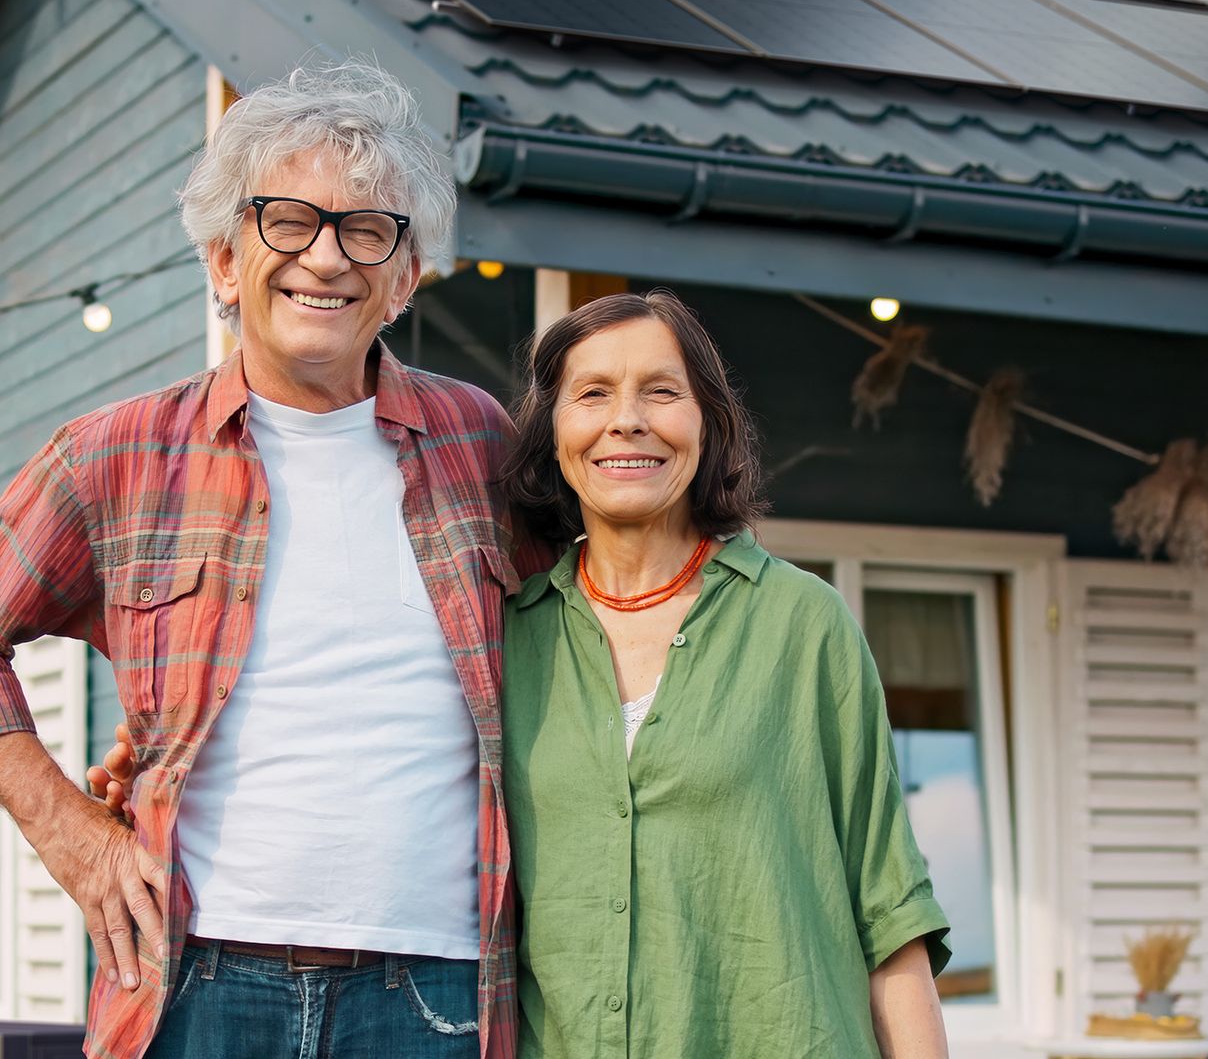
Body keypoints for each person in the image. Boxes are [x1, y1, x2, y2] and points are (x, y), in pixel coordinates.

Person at [0, 58, 545, 1059]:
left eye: (366, 229)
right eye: (286, 220)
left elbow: (602, 620)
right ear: (221, 260)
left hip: (435, 994)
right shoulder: (117, 454)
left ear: (403, 278)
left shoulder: (481, 444)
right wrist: (67, 829)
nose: (326, 258)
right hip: (193, 983)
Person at [497, 289, 952, 1058]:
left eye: (662, 391)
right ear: (554, 432)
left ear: (708, 423)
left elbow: (892, 919)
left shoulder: (804, 625)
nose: (628, 419)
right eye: (594, 393)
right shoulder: (510, 640)